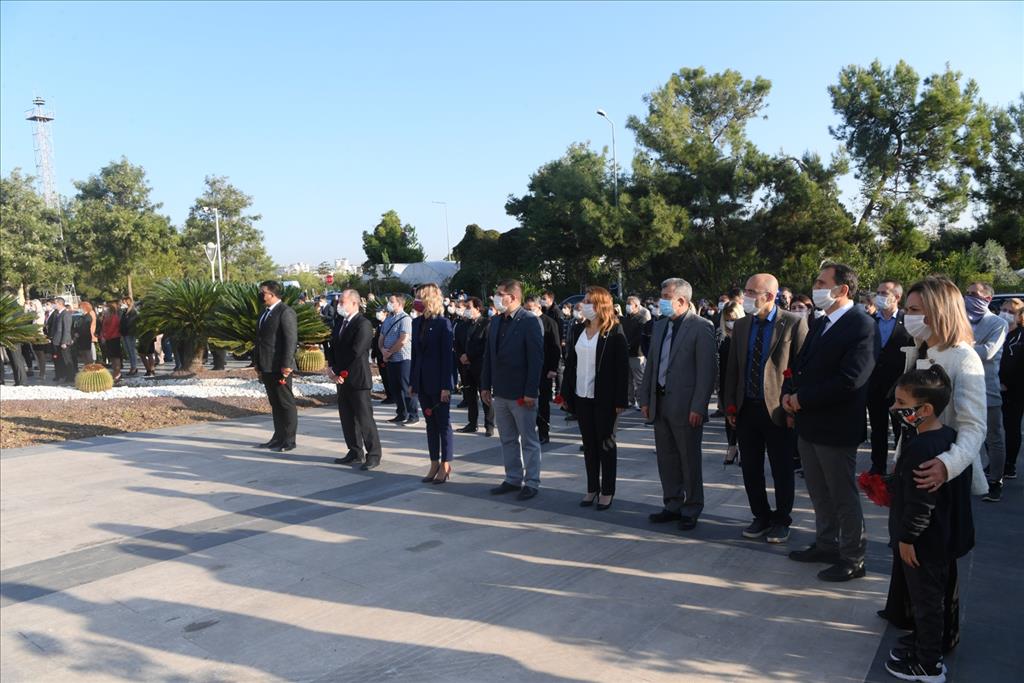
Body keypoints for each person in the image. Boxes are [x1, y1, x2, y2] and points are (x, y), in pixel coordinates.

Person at [879, 276, 987, 650]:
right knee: (909, 544)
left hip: (940, 471)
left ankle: (939, 638)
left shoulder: (964, 358)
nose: (907, 316)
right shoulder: (922, 349)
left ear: (938, 312)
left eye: (914, 310)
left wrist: (946, 464)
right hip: (915, 462)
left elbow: (974, 425)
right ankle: (908, 616)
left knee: (936, 557)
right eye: (907, 309)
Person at [783, 262, 875, 582]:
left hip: (836, 426)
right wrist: (789, 392)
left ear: (842, 289)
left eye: (822, 283)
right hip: (809, 424)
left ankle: (853, 556)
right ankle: (826, 544)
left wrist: (802, 399)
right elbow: (801, 365)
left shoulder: (861, 324)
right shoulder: (822, 321)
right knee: (819, 492)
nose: (816, 288)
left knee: (842, 495)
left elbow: (851, 379)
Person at [883, 366, 973, 683]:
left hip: (924, 543)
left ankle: (928, 665)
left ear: (925, 410)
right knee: (932, 599)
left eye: (901, 403)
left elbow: (921, 505)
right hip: (942, 539)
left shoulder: (921, 448)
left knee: (927, 603)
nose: (894, 408)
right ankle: (925, 647)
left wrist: (906, 539)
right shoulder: (948, 438)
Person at [724, 273, 809, 544]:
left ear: (770, 296)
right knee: (750, 467)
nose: (746, 296)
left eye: (752, 292)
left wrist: (794, 408)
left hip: (778, 410)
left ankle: (782, 519)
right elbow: (733, 369)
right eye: (746, 291)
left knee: (782, 468)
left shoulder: (793, 323)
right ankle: (760, 515)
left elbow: (801, 369)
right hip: (746, 407)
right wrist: (730, 406)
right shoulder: (742, 325)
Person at [639, 277, 717, 531]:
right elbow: (652, 364)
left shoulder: (701, 327)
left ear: (682, 300)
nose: (661, 302)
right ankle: (672, 503)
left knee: (688, 459)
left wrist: (699, 406)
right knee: (666, 458)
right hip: (659, 402)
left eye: (666, 298)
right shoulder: (660, 325)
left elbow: (707, 372)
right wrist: (645, 398)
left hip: (686, 406)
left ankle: (691, 507)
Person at [561, 286, 629, 510]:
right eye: (585, 300)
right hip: (582, 396)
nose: (585, 305)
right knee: (589, 445)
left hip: (605, 398)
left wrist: (620, 400)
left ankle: (607, 491)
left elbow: (622, 369)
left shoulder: (614, 332)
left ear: (601, 305)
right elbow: (571, 364)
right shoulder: (579, 329)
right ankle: (592, 488)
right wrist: (565, 393)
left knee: (605, 444)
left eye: (589, 301)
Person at [480, 279, 544, 500]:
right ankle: (513, 478)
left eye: (500, 294)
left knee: (528, 440)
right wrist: (485, 385)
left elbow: (536, 360)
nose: (496, 298)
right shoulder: (497, 321)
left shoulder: (529, 321)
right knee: (507, 439)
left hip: (521, 393)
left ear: (513, 297)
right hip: (500, 391)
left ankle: (532, 482)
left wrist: (531, 391)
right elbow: (489, 355)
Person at [328, 289, 382, 471]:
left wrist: (338, 370)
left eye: (342, 302)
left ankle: (373, 454)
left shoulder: (363, 324)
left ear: (354, 303)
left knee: (364, 418)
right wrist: (331, 367)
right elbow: (333, 346)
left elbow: (356, 351)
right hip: (342, 379)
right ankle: (354, 451)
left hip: (357, 378)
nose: (339, 305)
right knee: (347, 418)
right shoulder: (340, 322)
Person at [965, 281, 1009, 502]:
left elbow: (988, 352)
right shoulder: (962, 319)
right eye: (967, 293)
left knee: (994, 437)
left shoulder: (998, 323)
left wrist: (962, 346)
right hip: (962, 387)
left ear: (988, 299)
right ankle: (969, 478)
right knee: (966, 435)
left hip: (986, 388)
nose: (969, 297)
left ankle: (995, 481)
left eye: (974, 294)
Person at [867, 281, 915, 475]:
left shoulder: (908, 321)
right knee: (878, 429)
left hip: (900, 386)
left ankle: (901, 469)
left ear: (897, 297)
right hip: (874, 385)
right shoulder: (870, 321)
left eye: (884, 293)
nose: (879, 296)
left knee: (901, 429)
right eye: (878, 292)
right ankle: (877, 467)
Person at [409, 283, 455, 482]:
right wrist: (412, 382)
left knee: (443, 423)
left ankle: (445, 463)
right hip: (422, 380)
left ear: (429, 299)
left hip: (438, 381)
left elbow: (447, 358)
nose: (416, 301)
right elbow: (415, 354)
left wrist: (446, 386)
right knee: (430, 423)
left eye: (420, 297)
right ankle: (433, 462)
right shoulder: (416, 323)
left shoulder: (443, 324)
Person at [254, 281, 298, 452]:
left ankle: (289, 440)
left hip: (280, 367)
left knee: (285, 403)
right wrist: (257, 363)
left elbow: (290, 340)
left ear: (272, 294)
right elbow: (260, 340)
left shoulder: (285, 312)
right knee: (275, 403)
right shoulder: (264, 313)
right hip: (266, 365)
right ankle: (278, 437)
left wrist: (286, 364)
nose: (260, 295)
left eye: (263, 292)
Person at [524, 296, 561, 444]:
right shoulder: (524, 322)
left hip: (545, 369)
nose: (528, 311)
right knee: (526, 402)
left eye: (530, 309)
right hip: (527, 368)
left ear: (539, 307)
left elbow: (556, 347)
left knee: (543, 402)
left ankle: (544, 432)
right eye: (525, 309)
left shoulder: (549, 323)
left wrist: (553, 368)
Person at [379, 294, 420, 425]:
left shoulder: (405, 319)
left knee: (406, 387)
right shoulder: (388, 319)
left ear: (400, 304)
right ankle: (401, 413)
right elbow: (381, 337)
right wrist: (382, 350)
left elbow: (403, 339)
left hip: (403, 358)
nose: (389, 304)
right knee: (395, 387)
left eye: (392, 302)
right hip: (390, 359)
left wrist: (390, 352)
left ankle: (413, 415)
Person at [458, 298, 494, 436]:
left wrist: (470, 356)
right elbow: (457, 342)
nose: (466, 310)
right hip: (465, 366)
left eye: (469, 307)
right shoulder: (464, 324)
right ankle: (472, 423)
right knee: (470, 396)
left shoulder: (486, 323)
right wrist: (461, 355)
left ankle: (489, 425)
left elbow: (486, 345)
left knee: (485, 395)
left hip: (480, 365)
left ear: (477, 308)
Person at [998, 298, 1023, 480]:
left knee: (1011, 428)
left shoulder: (1021, 336)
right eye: (1004, 310)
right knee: (992, 429)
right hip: (993, 387)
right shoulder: (996, 331)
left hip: (1015, 391)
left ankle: (1010, 464)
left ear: (1020, 316)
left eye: (1011, 312)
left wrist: (1009, 383)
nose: (1006, 314)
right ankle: (996, 462)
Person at [717, 300, 744, 464]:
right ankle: (732, 446)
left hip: (742, 382)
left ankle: (742, 448)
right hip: (725, 382)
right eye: (727, 319)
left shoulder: (745, 336)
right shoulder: (721, 337)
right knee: (729, 415)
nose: (730, 323)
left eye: (733, 319)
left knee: (742, 417)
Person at [621, 295, 649, 410]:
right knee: (628, 380)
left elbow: (639, 336)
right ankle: (630, 400)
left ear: (636, 306)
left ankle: (642, 401)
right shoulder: (625, 319)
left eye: (629, 304)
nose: (627, 306)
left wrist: (629, 344)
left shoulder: (642, 319)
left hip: (637, 354)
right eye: (627, 303)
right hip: (626, 353)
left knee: (639, 380)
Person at [49, 297, 75, 383]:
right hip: (57, 340)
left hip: (63, 341)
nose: (54, 305)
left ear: (60, 304)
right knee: (60, 360)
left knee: (66, 359)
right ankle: (63, 375)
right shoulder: (58, 314)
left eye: (55, 303)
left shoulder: (66, 314)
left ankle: (70, 377)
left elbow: (66, 329)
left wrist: (64, 342)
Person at [99, 300, 123, 382]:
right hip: (108, 338)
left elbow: (112, 328)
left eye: (106, 309)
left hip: (114, 338)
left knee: (116, 356)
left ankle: (118, 372)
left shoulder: (114, 317)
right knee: (112, 356)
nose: (104, 311)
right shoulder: (106, 317)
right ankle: (114, 371)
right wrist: (102, 336)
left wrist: (105, 337)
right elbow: (103, 328)